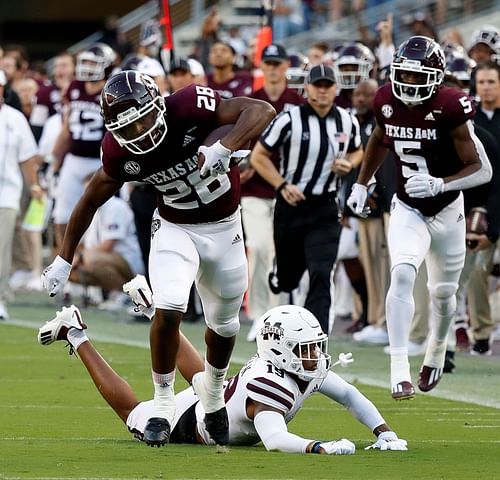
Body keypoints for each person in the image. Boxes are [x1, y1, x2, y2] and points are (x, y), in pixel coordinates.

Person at [41, 70, 275, 447]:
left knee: (225, 325)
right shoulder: (119, 151)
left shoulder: (188, 106)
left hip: (225, 228)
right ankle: (164, 402)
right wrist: (64, 259)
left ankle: (214, 397)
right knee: (168, 305)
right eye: (129, 128)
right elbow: (90, 199)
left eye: (146, 119)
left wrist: (225, 146)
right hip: (173, 227)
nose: (139, 133)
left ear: (159, 107)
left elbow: (261, 110)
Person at [37, 300, 408, 453]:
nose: (315, 356)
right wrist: (318, 447)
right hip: (192, 421)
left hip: (217, 399)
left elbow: (350, 396)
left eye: (315, 346)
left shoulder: (297, 368)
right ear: (281, 350)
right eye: (306, 348)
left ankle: (155, 310)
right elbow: (275, 439)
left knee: (204, 376)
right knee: (133, 413)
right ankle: (76, 332)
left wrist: (385, 433)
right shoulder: (271, 385)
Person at [347, 36, 492, 401]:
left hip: (448, 210)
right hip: (407, 206)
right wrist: (362, 183)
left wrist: (441, 184)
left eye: (416, 76)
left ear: (436, 77)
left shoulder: (451, 106)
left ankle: (436, 351)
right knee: (402, 272)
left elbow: (482, 169)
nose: (408, 83)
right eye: (404, 75)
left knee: (443, 294)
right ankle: (399, 369)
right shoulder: (384, 99)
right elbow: (380, 138)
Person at [251, 64, 363, 334]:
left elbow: (358, 150)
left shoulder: (347, 121)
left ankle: (316, 339)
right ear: (307, 88)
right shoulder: (289, 119)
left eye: (328, 85)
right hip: (291, 206)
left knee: (321, 274)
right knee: (288, 281)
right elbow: (259, 156)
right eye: (318, 85)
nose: (323, 91)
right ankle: (281, 276)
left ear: (336, 89)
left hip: (325, 207)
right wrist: (281, 184)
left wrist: (349, 163)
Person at [244, 44, 305, 342]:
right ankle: (259, 314)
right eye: (268, 63)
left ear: (285, 66)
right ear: (263, 66)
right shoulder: (252, 100)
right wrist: (243, 163)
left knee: (280, 253)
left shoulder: (297, 101)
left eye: (277, 63)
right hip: (254, 188)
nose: (272, 68)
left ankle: (276, 315)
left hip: (288, 189)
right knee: (258, 247)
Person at [50, 43, 117, 248]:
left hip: (100, 161)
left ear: (106, 66)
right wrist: (53, 159)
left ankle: (87, 264)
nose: (87, 66)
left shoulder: (112, 89)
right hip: (74, 159)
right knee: (62, 214)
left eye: (92, 62)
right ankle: (67, 262)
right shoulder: (75, 87)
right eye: (85, 62)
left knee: (97, 214)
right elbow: (66, 128)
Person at [0, 69, 41, 320]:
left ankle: (1, 299)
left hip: (7, 193)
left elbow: (27, 157)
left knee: (1, 247)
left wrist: (34, 185)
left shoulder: (15, 118)